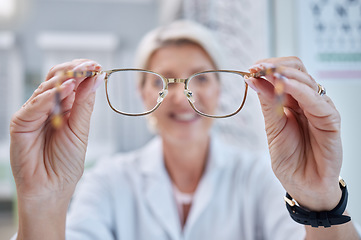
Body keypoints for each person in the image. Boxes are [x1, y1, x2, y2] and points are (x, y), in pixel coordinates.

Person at [9, 20, 360, 240]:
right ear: (143, 92)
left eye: (202, 77)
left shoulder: (258, 177)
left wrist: (318, 202)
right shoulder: (108, 181)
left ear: (222, 90)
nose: (180, 96)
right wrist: (42, 204)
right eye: (161, 81)